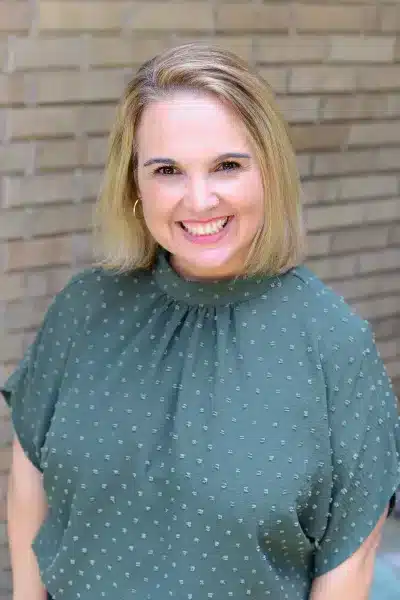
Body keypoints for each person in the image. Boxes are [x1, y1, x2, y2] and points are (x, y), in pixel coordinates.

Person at [2, 42, 400, 600]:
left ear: (269, 172)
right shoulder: (84, 308)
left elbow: (349, 563)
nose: (199, 200)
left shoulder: (334, 344)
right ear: (134, 185)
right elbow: (30, 480)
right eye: (167, 170)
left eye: (227, 166)